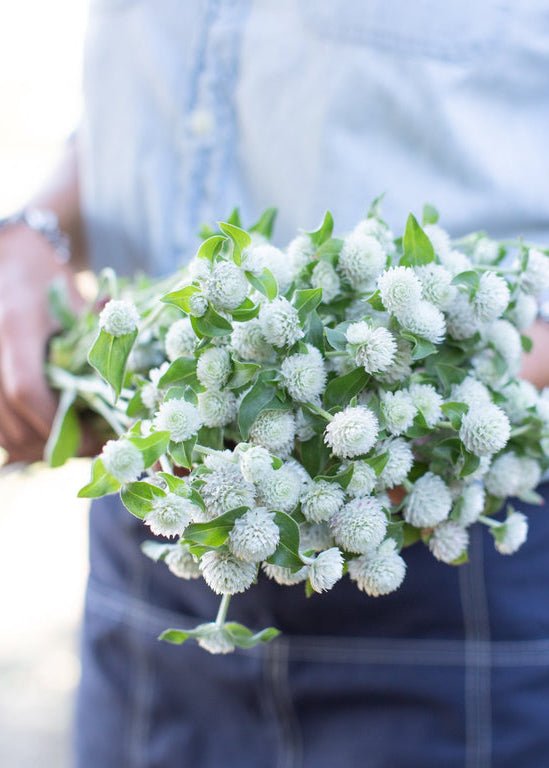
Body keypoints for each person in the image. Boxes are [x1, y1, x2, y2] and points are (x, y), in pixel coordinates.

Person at [1, 2, 549, 766]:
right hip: (164, 510)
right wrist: (38, 229)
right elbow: (172, 80)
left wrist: (467, 384)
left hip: (446, 529)